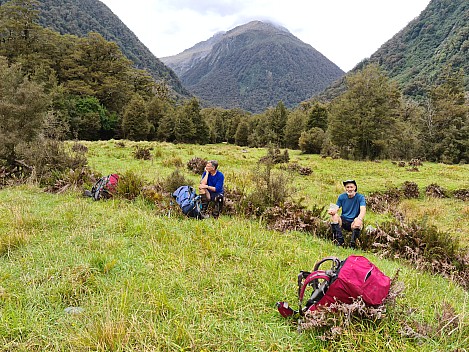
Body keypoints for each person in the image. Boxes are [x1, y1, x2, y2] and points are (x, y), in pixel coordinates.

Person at [327, 179, 366, 248]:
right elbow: (336, 207)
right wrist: (331, 211)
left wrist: (359, 219)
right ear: (345, 188)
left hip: (353, 222)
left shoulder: (360, 197)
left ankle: (353, 244)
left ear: (355, 188)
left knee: (358, 221)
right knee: (334, 216)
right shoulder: (341, 197)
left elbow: (363, 209)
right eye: (347, 187)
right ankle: (339, 240)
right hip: (343, 220)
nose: (349, 189)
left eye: (351, 187)